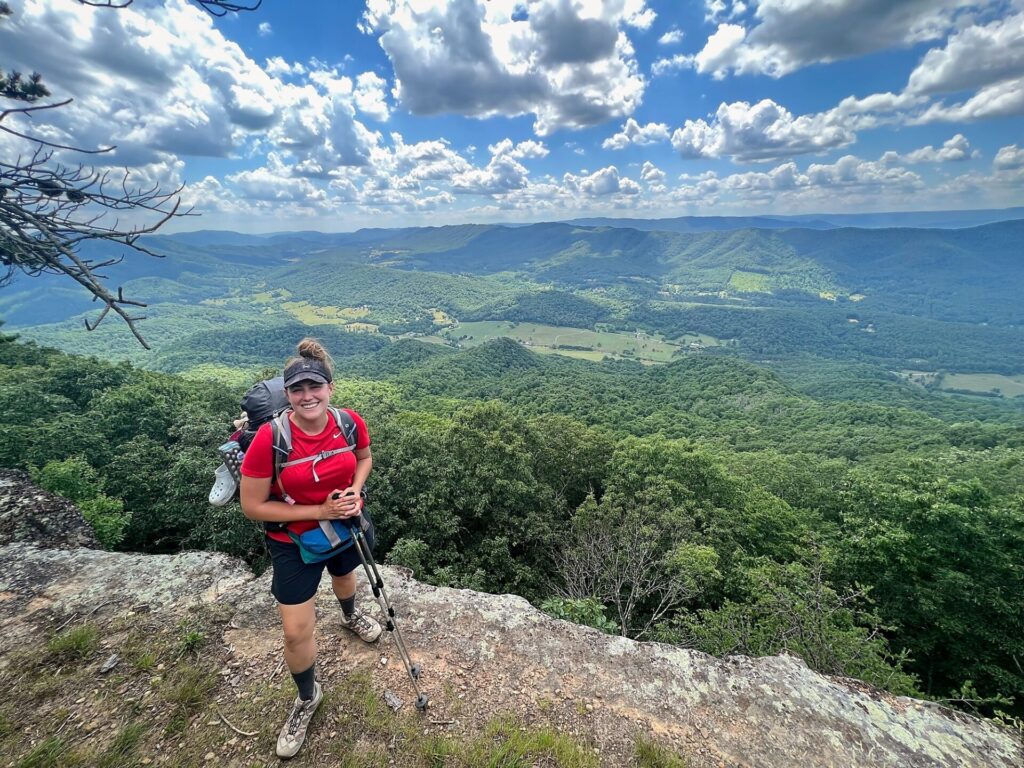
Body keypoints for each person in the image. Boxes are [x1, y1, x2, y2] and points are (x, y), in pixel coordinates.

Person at [239, 338, 382, 759]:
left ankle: (352, 615)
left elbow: (364, 458)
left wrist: (355, 492)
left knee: (343, 575)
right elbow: (252, 506)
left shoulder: (349, 422)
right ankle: (307, 696)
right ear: (287, 395)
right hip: (291, 540)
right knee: (295, 631)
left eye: (314, 387)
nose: (307, 396)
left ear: (329, 388)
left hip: (345, 527)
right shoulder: (271, 439)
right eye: (297, 390)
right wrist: (320, 507)